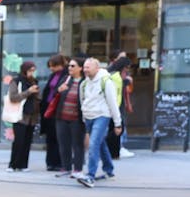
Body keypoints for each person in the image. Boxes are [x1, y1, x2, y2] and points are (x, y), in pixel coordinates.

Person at [76, 56, 122, 187]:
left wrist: (117, 123)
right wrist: (84, 117)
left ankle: (90, 176)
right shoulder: (84, 84)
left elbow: (113, 103)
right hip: (89, 117)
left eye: (88, 67)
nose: (85, 70)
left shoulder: (106, 82)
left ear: (97, 68)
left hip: (102, 116)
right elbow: (82, 101)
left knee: (93, 144)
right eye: (84, 67)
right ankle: (109, 170)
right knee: (100, 143)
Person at [50, 57, 86, 177]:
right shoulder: (66, 79)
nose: (69, 68)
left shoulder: (85, 82)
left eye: (72, 66)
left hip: (77, 118)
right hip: (62, 117)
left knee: (77, 144)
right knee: (63, 144)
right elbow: (54, 94)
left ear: (80, 68)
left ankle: (78, 169)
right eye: (69, 65)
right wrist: (58, 90)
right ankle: (66, 167)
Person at [6, 61, 41, 172]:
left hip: (32, 115)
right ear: (24, 70)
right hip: (20, 115)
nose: (32, 73)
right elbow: (13, 97)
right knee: (19, 141)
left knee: (27, 141)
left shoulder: (34, 81)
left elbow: (37, 98)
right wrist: (28, 91)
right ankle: (13, 165)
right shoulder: (16, 81)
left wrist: (37, 94)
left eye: (33, 71)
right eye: (30, 70)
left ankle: (23, 165)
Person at [38, 55, 69, 170]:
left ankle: (59, 162)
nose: (51, 68)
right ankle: (50, 162)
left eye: (54, 66)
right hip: (49, 107)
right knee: (50, 136)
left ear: (61, 64)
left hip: (58, 108)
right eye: (50, 66)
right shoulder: (53, 75)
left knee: (58, 136)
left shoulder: (66, 75)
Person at [107, 52, 135, 160]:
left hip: (116, 105)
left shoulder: (113, 73)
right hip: (115, 106)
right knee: (116, 129)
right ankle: (114, 152)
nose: (127, 70)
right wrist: (127, 81)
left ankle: (114, 152)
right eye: (127, 68)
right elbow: (118, 89)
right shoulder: (116, 76)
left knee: (115, 129)